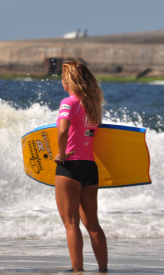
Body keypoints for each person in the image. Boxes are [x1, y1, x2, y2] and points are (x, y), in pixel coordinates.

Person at [54, 60, 108, 272]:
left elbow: (62, 129)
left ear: (69, 81)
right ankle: (103, 269)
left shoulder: (68, 102)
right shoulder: (94, 104)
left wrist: (61, 153)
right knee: (93, 225)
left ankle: (77, 270)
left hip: (70, 167)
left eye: (63, 77)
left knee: (71, 224)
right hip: (90, 167)